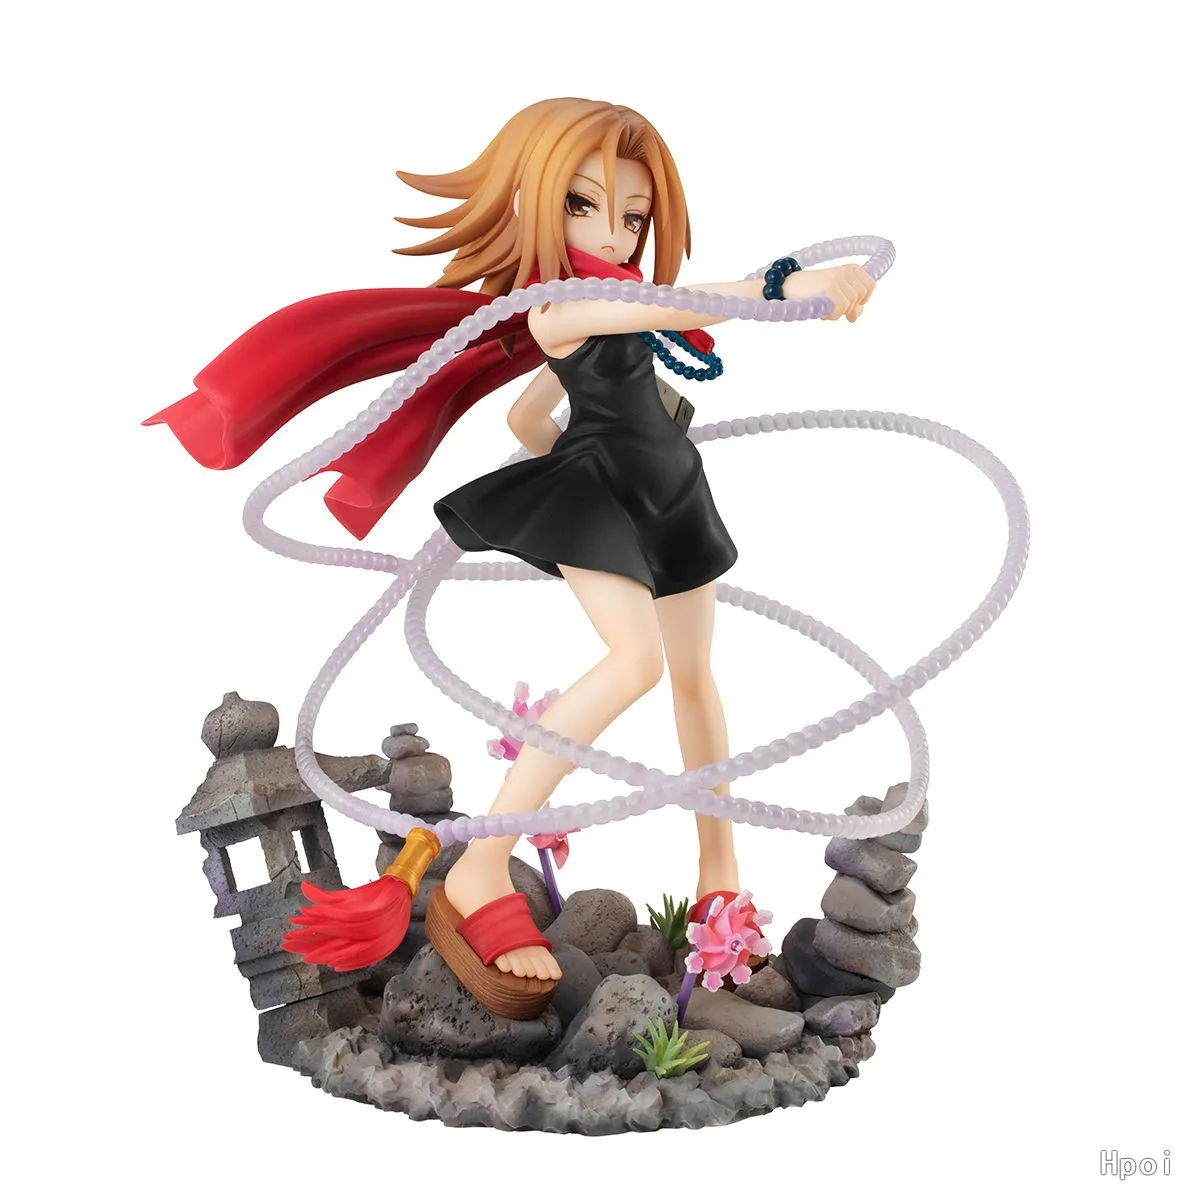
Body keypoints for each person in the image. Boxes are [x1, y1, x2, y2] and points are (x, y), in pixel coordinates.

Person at [144, 97, 874, 1019]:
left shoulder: (612, 305)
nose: (612, 231)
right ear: (537, 205)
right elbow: (688, 302)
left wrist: (582, 444)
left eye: (634, 215)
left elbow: (528, 416)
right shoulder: (565, 304)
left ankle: (717, 872)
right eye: (583, 205)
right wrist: (786, 288)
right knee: (636, 664)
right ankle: (482, 865)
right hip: (606, 497)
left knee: (695, 678)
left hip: (671, 491)